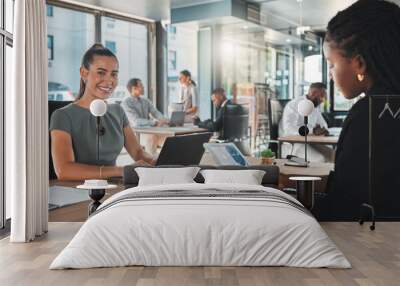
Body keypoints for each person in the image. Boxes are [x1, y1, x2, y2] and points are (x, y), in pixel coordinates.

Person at [312, 0, 400, 220]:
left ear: (359, 64)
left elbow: (348, 205)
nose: (331, 75)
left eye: (332, 64)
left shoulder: (369, 113)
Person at [50, 44, 154, 181]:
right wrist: (121, 170)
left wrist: (161, 161)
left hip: (114, 189)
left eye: (114, 74)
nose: (109, 80)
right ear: (84, 73)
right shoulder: (62, 116)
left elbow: (137, 152)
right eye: (101, 72)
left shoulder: (117, 111)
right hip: (78, 193)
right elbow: (64, 170)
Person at [279, 82, 332, 162]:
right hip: (292, 146)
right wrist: (312, 131)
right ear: (313, 93)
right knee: (320, 159)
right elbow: (289, 129)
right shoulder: (294, 105)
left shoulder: (314, 107)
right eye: (321, 96)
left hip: (310, 143)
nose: (322, 100)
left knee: (333, 155)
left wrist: (323, 130)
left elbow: (323, 125)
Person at [121, 78, 169, 154]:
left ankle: (166, 162)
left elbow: (155, 112)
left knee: (169, 138)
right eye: (141, 86)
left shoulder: (145, 101)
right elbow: (136, 121)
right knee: (152, 137)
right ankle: (150, 163)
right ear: (134, 88)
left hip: (149, 131)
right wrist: (155, 123)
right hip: (136, 134)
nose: (143, 87)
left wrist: (164, 120)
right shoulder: (126, 103)